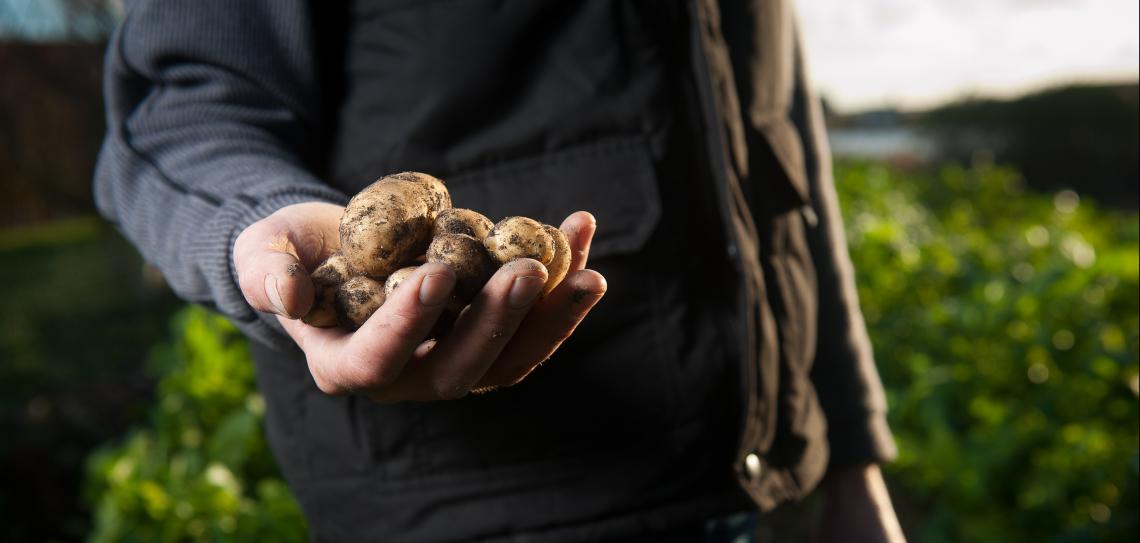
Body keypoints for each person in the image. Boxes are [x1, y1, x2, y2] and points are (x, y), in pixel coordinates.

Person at [95, 0, 904, 540]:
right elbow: (182, 107)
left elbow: (779, 151)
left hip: (775, 492)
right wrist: (256, 226)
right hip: (474, 512)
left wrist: (854, 454)